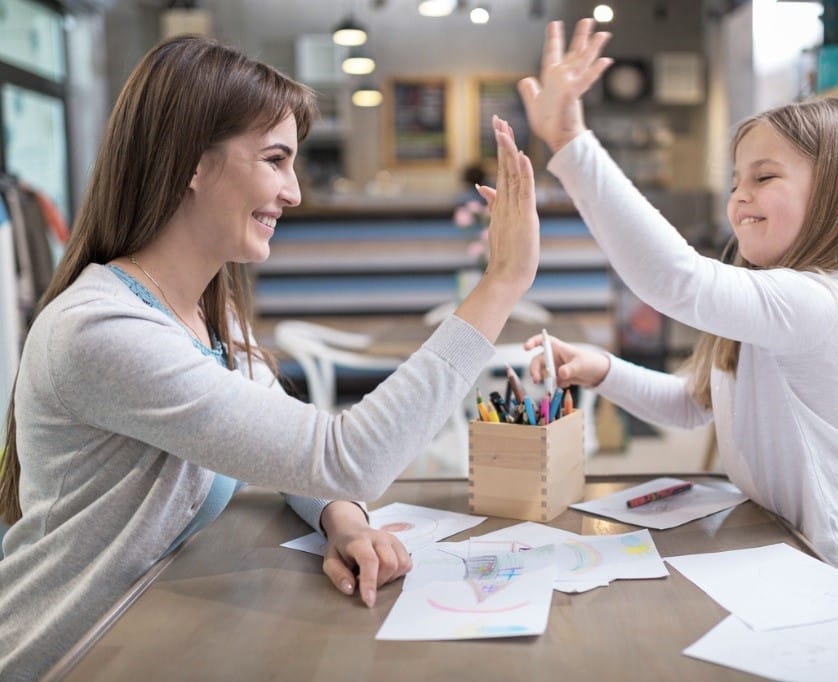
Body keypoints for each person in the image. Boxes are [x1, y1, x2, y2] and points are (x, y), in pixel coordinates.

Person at [0, 36, 538, 678]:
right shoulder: (102, 331)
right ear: (190, 164)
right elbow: (348, 456)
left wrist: (343, 520)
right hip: (65, 657)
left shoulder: (198, 315)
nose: (294, 193)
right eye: (276, 160)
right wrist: (500, 281)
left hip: (148, 636)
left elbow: (301, 457)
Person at [518, 20, 838, 596]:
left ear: (836, 193)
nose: (740, 197)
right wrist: (602, 369)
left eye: (763, 177)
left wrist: (571, 144)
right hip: (796, 560)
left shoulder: (817, 303)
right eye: (736, 180)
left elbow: (674, 280)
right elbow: (693, 405)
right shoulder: (769, 304)